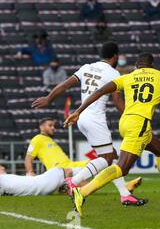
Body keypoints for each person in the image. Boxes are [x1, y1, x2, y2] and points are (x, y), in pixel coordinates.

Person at [64, 53, 160, 216]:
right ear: (152, 65)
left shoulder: (128, 77)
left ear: (137, 66)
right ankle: (82, 192)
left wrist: (78, 111)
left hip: (125, 122)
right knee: (122, 168)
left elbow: (101, 91)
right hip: (140, 124)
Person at [32, 42, 145, 206]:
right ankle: (74, 181)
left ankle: (125, 194)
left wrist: (48, 98)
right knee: (106, 158)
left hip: (81, 117)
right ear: (115, 56)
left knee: (110, 155)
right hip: (95, 118)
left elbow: (65, 84)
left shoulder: (87, 67)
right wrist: (132, 116)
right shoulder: (113, 73)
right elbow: (117, 100)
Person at [0, 165, 73, 196]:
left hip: (41, 183)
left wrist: (28, 177)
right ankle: (68, 187)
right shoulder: (3, 180)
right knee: (69, 171)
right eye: (0, 167)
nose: (3, 167)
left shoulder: (6, 180)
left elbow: (20, 183)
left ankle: (65, 186)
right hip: (43, 184)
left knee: (69, 171)